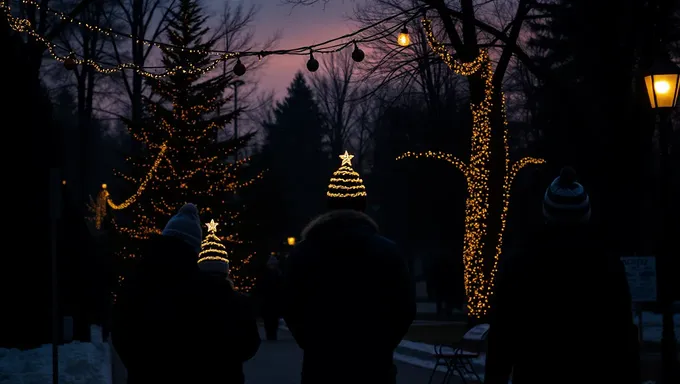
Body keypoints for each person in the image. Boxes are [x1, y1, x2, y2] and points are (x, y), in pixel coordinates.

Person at [484, 167, 640, 384]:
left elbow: (503, 333)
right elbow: (623, 335)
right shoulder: (606, 266)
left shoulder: (522, 264)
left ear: (547, 211)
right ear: (586, 213)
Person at [282, 152, 416, 384]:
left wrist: (313, 343)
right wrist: (382, 344)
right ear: (362, 206)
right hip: (374, 365)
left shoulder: (304, 252)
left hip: (322, 365)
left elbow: (291, 306)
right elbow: (404, 307)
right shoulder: (386, 251)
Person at [112, 203, 260, 384]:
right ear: (195, 249)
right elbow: (247, 341)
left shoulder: (136, 283)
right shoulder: (213, 292)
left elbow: (121, 334)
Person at [254, 255, 283, 340]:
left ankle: (272, 333)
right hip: (268, 300)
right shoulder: (273, 274)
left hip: (272, 299)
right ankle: (271, 333)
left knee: (272, 318)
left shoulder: (277, 274)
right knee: (269, 318)